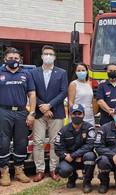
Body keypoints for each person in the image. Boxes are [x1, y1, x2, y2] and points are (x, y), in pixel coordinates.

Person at [30, 45, 68, 182]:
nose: (48, 56)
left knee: (55, 143)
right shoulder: (33, 73)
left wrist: (50, 105)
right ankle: (39, 170)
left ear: (55, 57)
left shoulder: (62, 72)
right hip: (39, 114)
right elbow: (31, 92)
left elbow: (63, 92)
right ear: (41, 56)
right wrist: (42, 107)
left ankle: (53, 169)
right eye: (45, 53)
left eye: (51, 54)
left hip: (56, 112)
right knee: (38, 142)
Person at [0, 47, 36, 186]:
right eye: (10, 58)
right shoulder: (0, 72)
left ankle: (19, 171)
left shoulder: (26, 74)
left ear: (20, 59)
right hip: (4, 111)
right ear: (5, 59)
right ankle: (4, 172)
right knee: (3, 142)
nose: (13, 60)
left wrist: (31, 113)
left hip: (21, 111)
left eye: (16, 58)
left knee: (21, 142)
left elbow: (32, 94)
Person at [55, 104, 96, 193]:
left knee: (90, 156)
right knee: (64, 170)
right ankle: (72, 177)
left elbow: (90, 145)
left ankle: (87, 182)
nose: (77, 116)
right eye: (74, 114)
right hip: (69, 159)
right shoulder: (64, 130)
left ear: (83, 115)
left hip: (82, 157)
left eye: (79, 114)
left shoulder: (89, 128)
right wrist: (66, 156)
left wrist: (74, 155)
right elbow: (58, 148)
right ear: (70, 115)